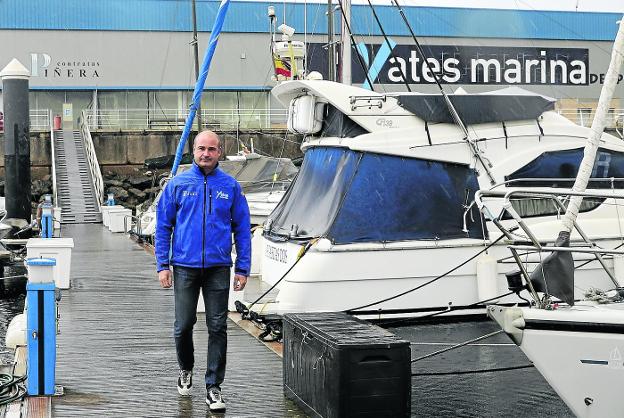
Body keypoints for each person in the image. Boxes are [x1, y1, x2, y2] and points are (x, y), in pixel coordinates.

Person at [155, 130, 251, 412]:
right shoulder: (178, 185)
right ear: (193, 151)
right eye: (201, 149)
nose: (205, 154)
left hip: (218, 267)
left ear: (219, 152)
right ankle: (186, 368)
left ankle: (213, 386)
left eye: (211, 149)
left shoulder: (231, 187)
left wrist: (242, 267)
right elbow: (163, 226)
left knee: (218, 326)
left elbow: (243, 229)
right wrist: (163, 264)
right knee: (183, 325)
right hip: (184, 266)